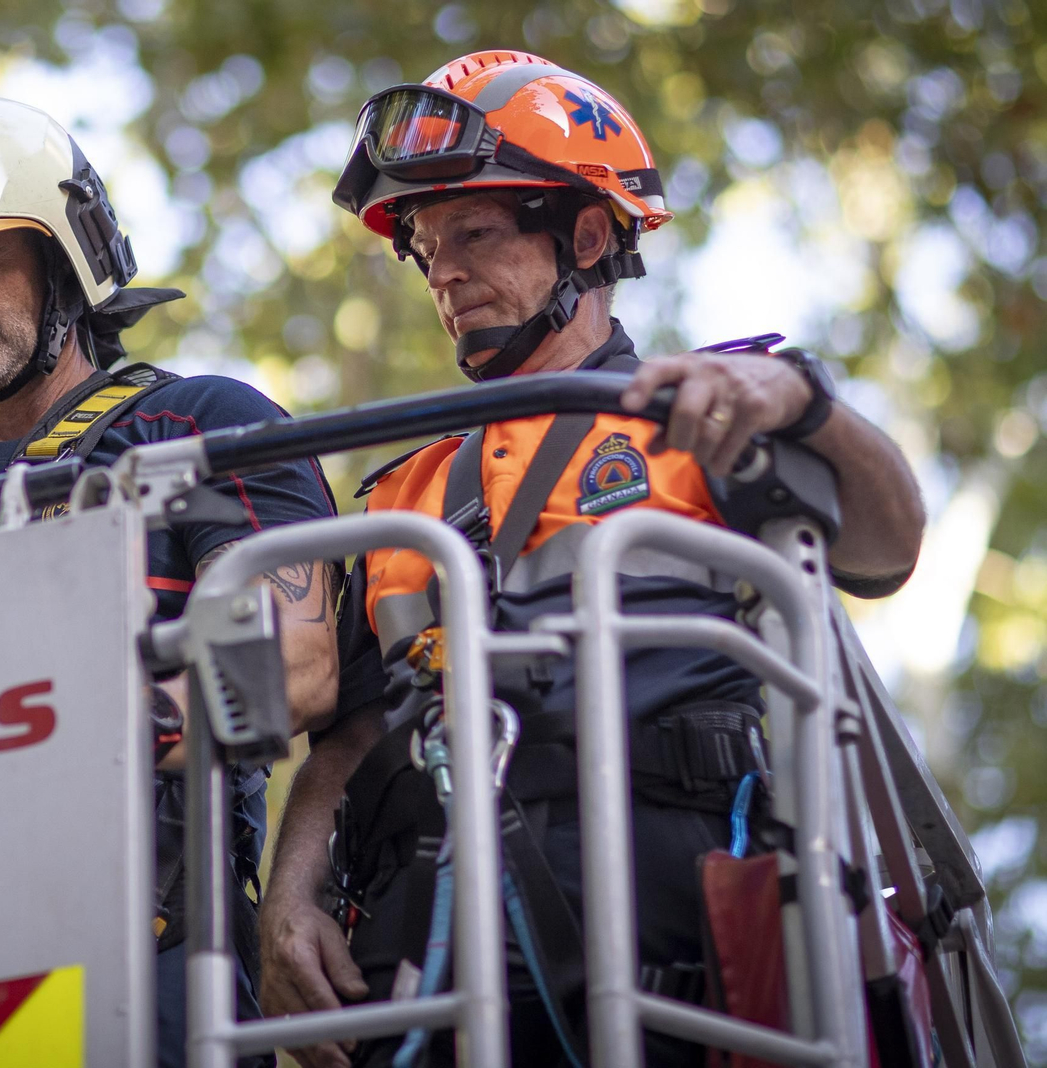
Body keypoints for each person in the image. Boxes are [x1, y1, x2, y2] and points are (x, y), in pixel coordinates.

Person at [258, 50, 926, 1067]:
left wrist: (806, 401)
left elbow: (887, 548)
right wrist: (291, 892)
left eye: (472, 233)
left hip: (661, 910)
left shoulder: (706, 412)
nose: (440, 270)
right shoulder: (402, 493)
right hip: (419, 921)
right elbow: (347, 736)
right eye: (425, 247)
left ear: (582, 232)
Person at [0, 91, 340, 1068]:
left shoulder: (192, 425)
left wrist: (48, 728)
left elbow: (296, 663)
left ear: (65, 256)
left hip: (149, 963)